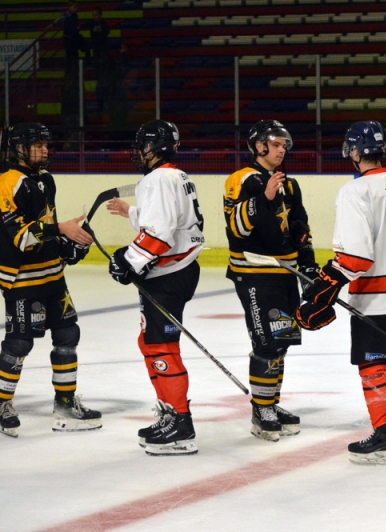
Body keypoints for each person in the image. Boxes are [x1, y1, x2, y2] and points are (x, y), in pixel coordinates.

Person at [294, 121, 386, 464]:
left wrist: (326, 285)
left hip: (377, 294)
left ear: (355, 153)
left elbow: (355, 257)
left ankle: (384, 438)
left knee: (372, 362)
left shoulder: (355, 191)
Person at [106, 120, 205, 456]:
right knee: (150, 341)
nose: (139, 153)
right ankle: (170, 410)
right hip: (178, 270)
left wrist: (128, 260)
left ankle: (180, 423)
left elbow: (160, 234)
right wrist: (132, 212)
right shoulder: (174, 176)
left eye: (142, 146)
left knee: (162, 346)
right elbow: (168, 221)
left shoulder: (158, 179)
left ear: (153, 147)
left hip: (168, 274)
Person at [0, 122, 101, 438]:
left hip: (52, 274)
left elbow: (45, 226)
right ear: (18, 148)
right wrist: (61, 231)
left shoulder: (45, 180)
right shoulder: (6, 183)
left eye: (46, 144)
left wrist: (69, 246)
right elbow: (20, 237)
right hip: (22, 279)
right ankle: (2, 403)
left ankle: (65, 402)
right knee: (19, 342)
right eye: (37, 145)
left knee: (68, 335)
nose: (45, 150)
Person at [223, 120, 317, 442]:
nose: (282, 150)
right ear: (259, 146)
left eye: (284, 145)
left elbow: (300, 224)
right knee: (267, 344)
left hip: (287, 273)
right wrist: (263, 198)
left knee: (282, 342)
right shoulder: (242, 180)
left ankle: (270, 404)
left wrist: (309, 266)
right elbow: (236, 230)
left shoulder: (290, 184)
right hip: (255, 273)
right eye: (276, 144)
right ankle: (261, 411)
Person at [51, 2, 91, 73]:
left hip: (74, 36)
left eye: (76, 7)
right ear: (70, 7)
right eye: (74, 7)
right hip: (69, 38)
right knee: (71, 55)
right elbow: (60, 19)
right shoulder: (67, 15)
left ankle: (85, 65)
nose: (76, 8)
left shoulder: (74, 15)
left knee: (84, 48)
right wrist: (53, 24)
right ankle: (72, 70)